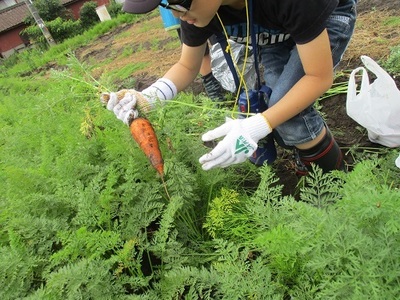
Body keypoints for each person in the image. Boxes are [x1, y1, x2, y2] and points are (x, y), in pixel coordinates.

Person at [104, 0, 357, 174]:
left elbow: (318, 77)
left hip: (325, 20)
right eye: (168, 5)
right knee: (281, 109)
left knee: (287, 111)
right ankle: (310, 156)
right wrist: (150, 97)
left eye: (179, 1)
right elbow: (187, 66)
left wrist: (257, 125)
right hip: (275, 33)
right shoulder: (198, 12)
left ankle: (334, 180)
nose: (177, 13)